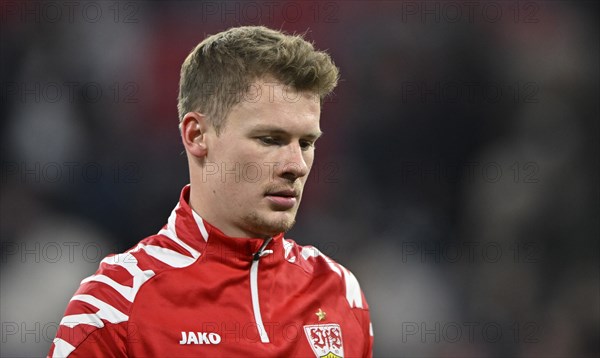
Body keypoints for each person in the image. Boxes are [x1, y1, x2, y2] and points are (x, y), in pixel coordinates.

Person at [48, 25, 373, 358]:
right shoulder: (115, 305)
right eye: (269, 139)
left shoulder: (339, 292)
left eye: (306, 143)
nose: (296, 165)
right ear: (197, 135)